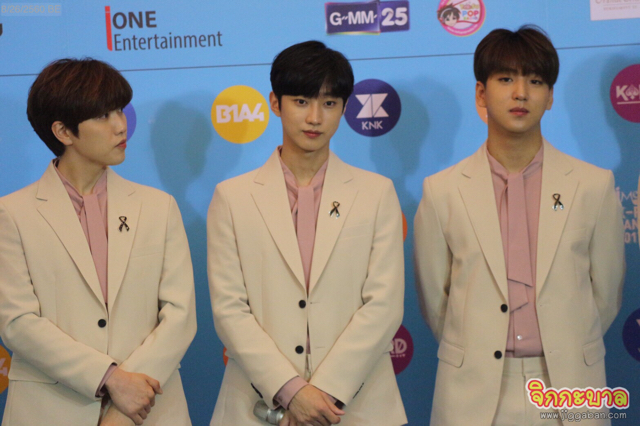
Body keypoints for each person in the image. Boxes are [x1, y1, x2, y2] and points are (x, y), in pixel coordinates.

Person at [414, 26, 625, 425]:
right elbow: (435, 301)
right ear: (481, 93)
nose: (521, 93)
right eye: (506, 79)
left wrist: (565, 342)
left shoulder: (593, 186)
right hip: (472, 393)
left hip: (569, 388)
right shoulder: (442, 191)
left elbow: (606, 295)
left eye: (536, 81)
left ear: (550, 96)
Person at [208, 41, 406, 426]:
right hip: (258, 406)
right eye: (301, 102)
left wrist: (325, 392)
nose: (315, 118)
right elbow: (229, 309)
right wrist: (291, 391)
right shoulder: (232, 197)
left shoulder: (376, 193)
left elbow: (384, 305)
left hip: (360, 406)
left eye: (329, 103)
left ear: (344, 109)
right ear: (275, 103)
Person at [0, 58, 196, 425]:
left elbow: (180, 314)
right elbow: (18, 322)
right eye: (103, 116)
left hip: (150, 407)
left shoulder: (158, 206)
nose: (121, 125)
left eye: (120, 110)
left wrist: (131, 393)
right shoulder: (12, 214)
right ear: (63, 131)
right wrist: (110, 379)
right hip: (51, 409)